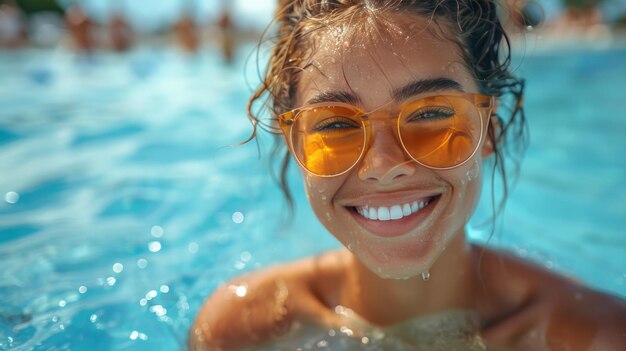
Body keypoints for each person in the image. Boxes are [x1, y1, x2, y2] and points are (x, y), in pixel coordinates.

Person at [190, 1, 626, 350]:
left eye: (433, 113)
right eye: (336, 124)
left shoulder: (594, 336)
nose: (383, 165)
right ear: (297, 145)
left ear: (487, 130)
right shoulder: (240, 331)